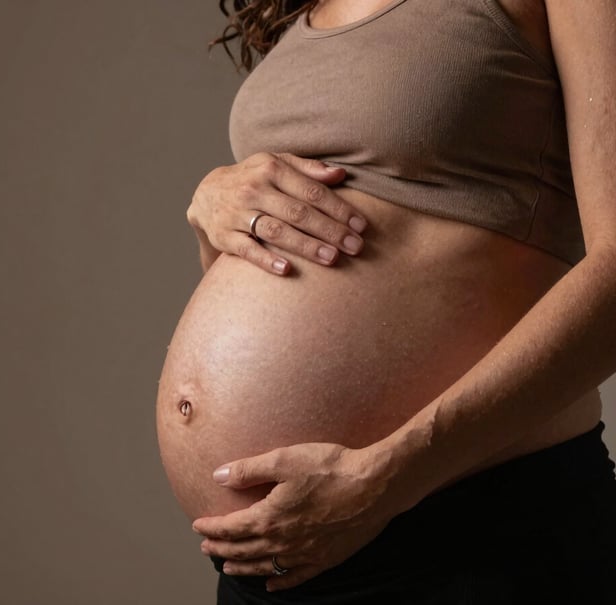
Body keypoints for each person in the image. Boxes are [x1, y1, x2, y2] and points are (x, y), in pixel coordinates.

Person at [155, 0, 616, 603]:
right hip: (278, 557)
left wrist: (390, 476)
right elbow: (292, 257)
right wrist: (212, 209)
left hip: (466, 526)